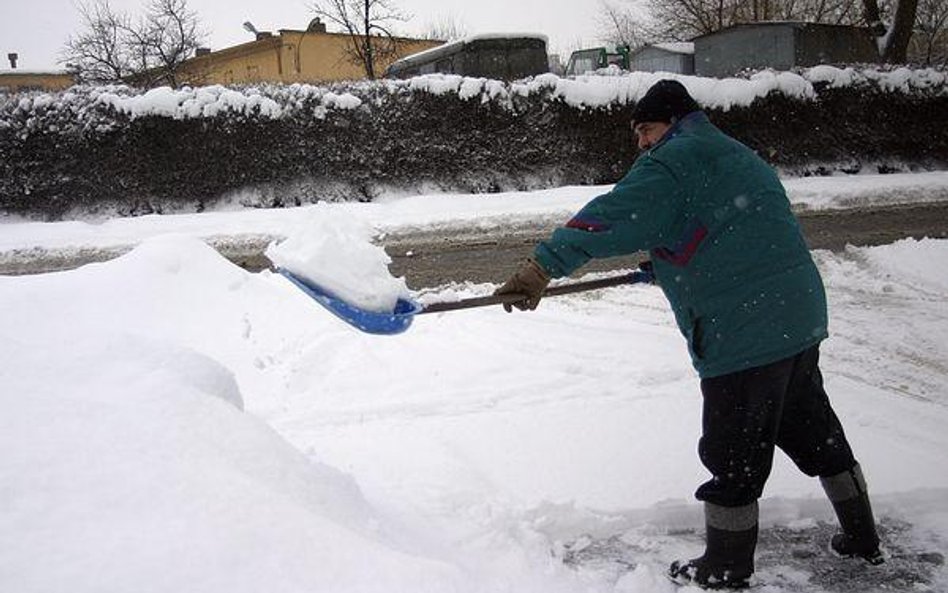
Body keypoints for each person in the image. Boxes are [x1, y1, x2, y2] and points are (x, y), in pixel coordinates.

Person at [494, 79, 883, 589]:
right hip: (796, 318)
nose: (641, 142)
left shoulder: (673, 163)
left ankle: (725, 567)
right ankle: (863, 538)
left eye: (646, 129)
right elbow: (729, 228)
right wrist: (672, 261)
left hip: (744, 335)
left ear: (672, 122)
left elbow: (611, 218)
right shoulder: (733, 153)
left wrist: (541, 267)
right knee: (816, 432)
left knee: (734, 456)